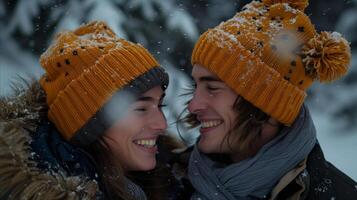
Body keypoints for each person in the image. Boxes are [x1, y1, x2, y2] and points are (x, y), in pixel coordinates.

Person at [178, 0, 357, 199]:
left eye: (212, 88)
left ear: (263, 103)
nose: (193, 105)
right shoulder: (172, 183)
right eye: (196, 86)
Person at [0, 21, 176, 199]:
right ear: (89, 124)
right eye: (141, 109)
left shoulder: (173, 180)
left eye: (160, 105)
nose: (162, 124)